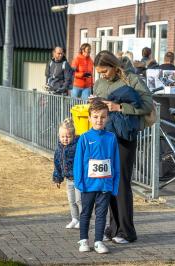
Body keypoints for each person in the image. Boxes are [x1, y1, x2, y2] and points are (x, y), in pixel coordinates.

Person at [92, 50, 153, 244]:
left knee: (122, 183)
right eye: (100, 72)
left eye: (105, 71)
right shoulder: (100, 83)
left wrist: (119, 108)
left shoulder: (132, 79)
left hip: (124, 137)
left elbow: (147, 106)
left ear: (114, 66)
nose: (102, 75)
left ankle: (127, 232)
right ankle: (113, 228)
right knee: (108, 183)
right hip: (104, 137)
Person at [74, 100, 120, 254]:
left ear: (107, 118)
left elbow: (116, 162)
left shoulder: (111, 138)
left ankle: (99, 241)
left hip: (105, 185)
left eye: (102, 117)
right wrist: (79, 183)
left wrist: (114, 184)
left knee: (101, 214)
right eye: (95, 117)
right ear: (89, 118)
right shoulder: (84, 138)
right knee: (86, 213)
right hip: (88, 185)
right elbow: (78, 162)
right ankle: (83, 240)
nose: (99, 120)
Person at [52, 118, 81, 229]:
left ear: (73, 136)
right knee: (71, 201)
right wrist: (57, 179)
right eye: (62, 136)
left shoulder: (77, 146)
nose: (65, 139)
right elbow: (57, 164)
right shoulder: (59, 149)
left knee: (79, 200)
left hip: (78, 178)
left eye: (68, 136)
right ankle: (74, 219)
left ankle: (83, 220)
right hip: (68, 179)